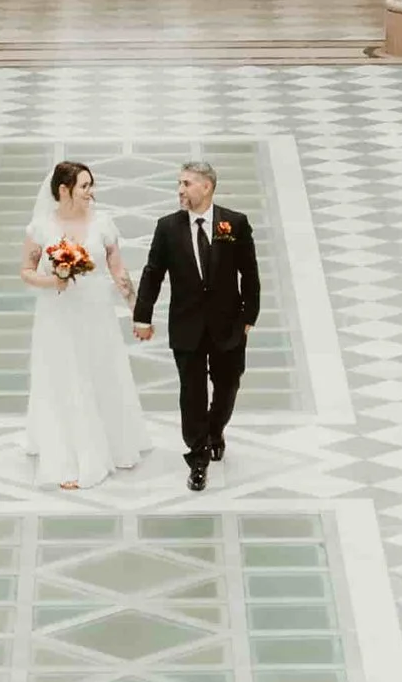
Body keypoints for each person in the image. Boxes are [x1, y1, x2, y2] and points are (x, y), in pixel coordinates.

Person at [131, 158, 262, 490]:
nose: (180, 190)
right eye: (179, 184)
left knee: (228, 385)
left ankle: (215, 429)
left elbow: (250, 273)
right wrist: (143, 316)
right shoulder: (168, 227)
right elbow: (153, 273)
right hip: (187, 325)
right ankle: (198, 456)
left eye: (186, 184)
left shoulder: (235, 223)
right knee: (191, 394)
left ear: (207, 186)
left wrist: (249, 318)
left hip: (228, 326)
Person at [21, 159, 149, 493]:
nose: (91, 193)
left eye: (91, 185)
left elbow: (119, 271)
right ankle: (72, 455)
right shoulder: (41, 227)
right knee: (66, 376)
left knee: (100, 370)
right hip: (57, 315)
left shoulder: (103, 223)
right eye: (84, 186)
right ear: (64, 190)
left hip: (95, 311)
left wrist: (138, 310)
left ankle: (112, 442)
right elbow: (27, 270)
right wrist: (53, 281)